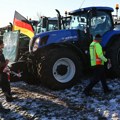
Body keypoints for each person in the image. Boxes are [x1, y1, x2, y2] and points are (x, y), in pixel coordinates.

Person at [0, 39, 13, 113]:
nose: (4, 44)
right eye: (2, 43)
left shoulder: (1, 52)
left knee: (5, 85)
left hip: (2, 73)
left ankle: (9, 97)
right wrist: (6, 63)